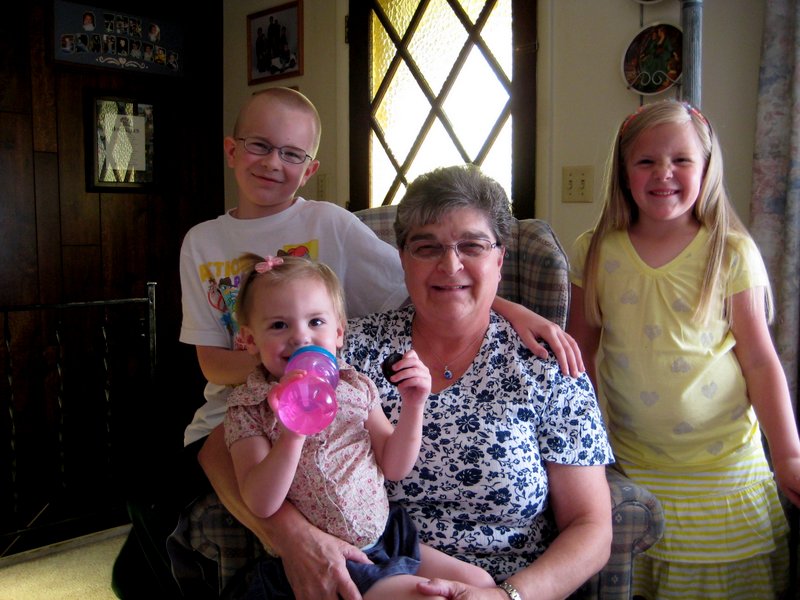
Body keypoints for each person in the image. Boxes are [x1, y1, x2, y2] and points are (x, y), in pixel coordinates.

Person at [112, 87, 581, 599]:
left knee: (475, 583)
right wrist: (293, 374)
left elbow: (430, 280)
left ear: (310, 169)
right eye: (258, 146)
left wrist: (508, 308)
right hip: (235, 412)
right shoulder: (203, 242)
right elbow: (211, 366)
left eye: (292, 153)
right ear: (231, 149)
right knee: (147, 514)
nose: (273, 163)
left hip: (360, 482)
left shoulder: (331, 230)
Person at [197, 164, 614, 600]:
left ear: (499, 258)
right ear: (403, 259)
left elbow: (591, 526)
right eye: (426, 247)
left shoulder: (547, 365)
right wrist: (296, 539)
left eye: (472, 246)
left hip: (506, 583)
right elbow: (220, 450)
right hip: (362, 573)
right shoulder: (342, 350)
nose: (450, 265)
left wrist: (507, 596)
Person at [567, 99, 800, 599]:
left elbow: (760, 361)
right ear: (624, 171)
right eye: (646, 161)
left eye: (681, 160)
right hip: (635, 464)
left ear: (707, 168)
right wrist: (582, 450)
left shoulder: (730, 251)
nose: (663, 173)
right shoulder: (596, 249)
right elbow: (579, 355)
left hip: (725, 470)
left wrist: (788, 457)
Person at [226, 253, 494, 598]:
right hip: (336, 561)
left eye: (316, 322)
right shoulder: (248, 408)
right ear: (249, 340)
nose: (301, 337)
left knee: (481, 583)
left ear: (338, 332)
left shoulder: (355, 386)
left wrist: (414, 405)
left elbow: (394, 467)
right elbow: (261, 503)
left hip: (386, 536)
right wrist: (293, 430)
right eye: (279, 325)